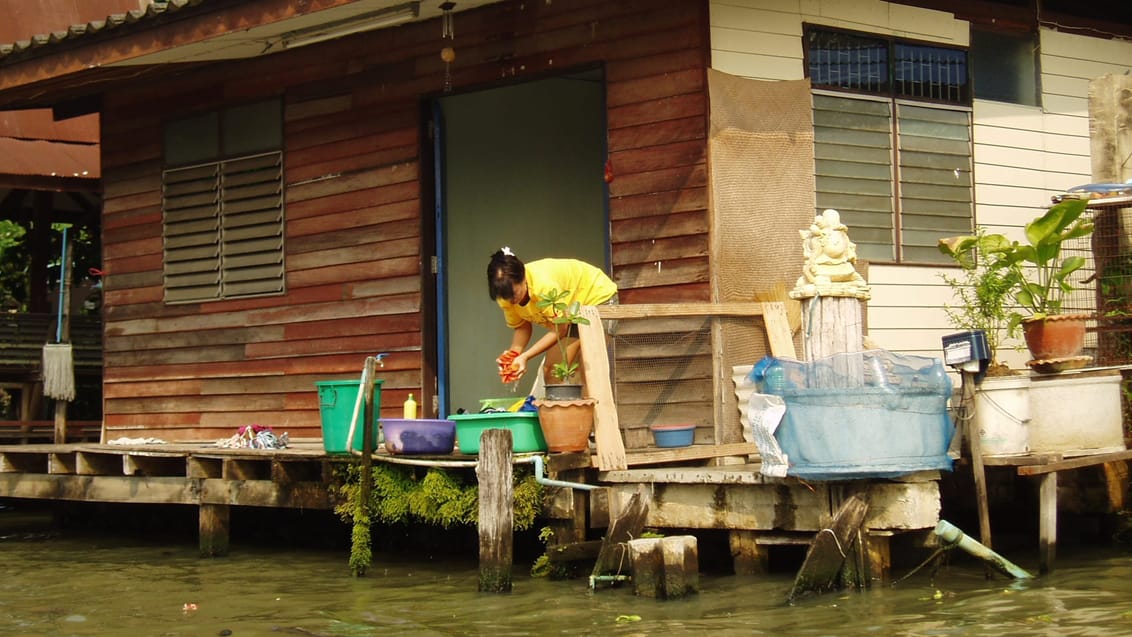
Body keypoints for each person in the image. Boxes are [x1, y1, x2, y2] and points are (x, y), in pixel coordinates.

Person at [487, 247, 617, 386]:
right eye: (504, 295)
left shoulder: (542, 286)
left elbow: (561, 328)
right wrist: (513, 356)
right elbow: (522, 327)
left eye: (513, 293)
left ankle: (595, 407)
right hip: (569, 314)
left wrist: (526, 356)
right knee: (552, 371)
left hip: (597, 299)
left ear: (523, 277)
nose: (511, 300)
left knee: (587, 370)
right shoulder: (506, 298)